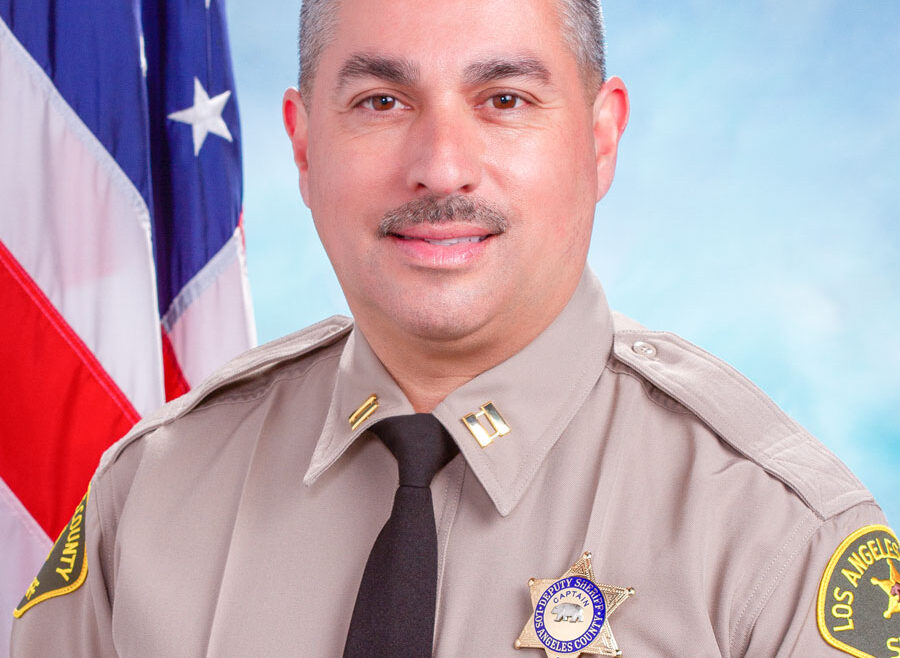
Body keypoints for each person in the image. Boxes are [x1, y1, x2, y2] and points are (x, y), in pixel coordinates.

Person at [11, 0, 897, 656]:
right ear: (305, 146)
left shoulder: (777, 539)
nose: (440, 164)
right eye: (381, 103)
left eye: (504, 99)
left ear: (600, 140)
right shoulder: (153, 494)